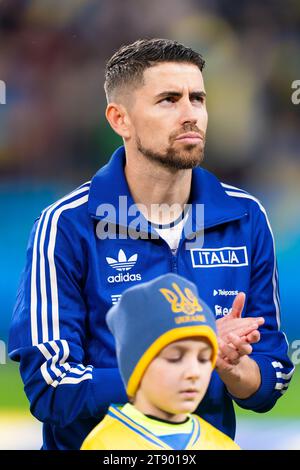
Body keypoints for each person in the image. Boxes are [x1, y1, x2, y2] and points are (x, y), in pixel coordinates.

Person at [9, 38, 293, 450]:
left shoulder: (246, 217)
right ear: (119, 119)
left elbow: (270, 380)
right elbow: (51, 387)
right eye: (168, 100)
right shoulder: (67, 224)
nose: (190, 114)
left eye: (198, 98)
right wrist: (180, 356)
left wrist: (229, 367)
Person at [81, 273, 239, 450]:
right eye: (175, 358)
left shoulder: (223, 445)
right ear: (137, 364)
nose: (194, 372)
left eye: (203, 359)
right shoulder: (106, 444)